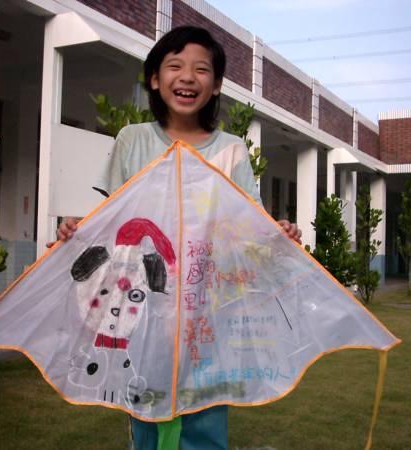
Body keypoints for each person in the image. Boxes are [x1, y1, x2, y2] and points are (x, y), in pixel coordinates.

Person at [50, 25, 301, 450]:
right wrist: (76, 231)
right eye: (174, 66)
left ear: (216, 84)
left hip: (209, 312)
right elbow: (112, 220)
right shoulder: (132, 140)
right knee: (146, 409)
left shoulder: (231, 150)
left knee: (204, 412)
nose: (187, 77)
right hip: (147, 311)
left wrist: (279, 232)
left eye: (201, 69)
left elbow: (248, 226)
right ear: (154, 78)